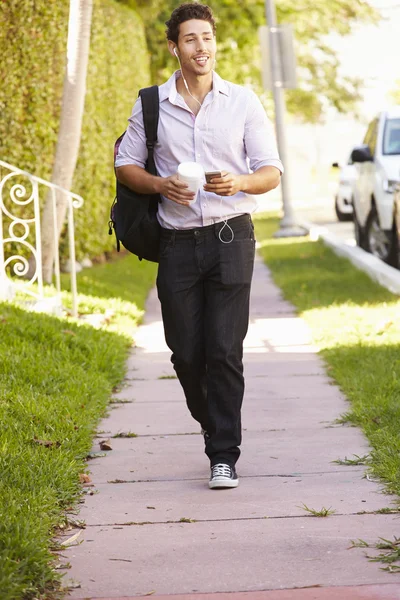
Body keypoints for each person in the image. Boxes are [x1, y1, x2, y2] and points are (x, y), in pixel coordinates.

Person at [115, 2, 283, 489]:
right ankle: (215, 426)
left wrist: (241, 183)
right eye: (190, 39)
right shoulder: (152, 103)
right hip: (177, 244)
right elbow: (126, 164)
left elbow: (270, 171)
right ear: (175, 47)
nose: (200, 47)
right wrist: (160, 185)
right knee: (186, 352)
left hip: (232, 237)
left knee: (225, 349)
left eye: (206, 38)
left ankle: (223, 453)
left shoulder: (243, 101)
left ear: (214, 44)